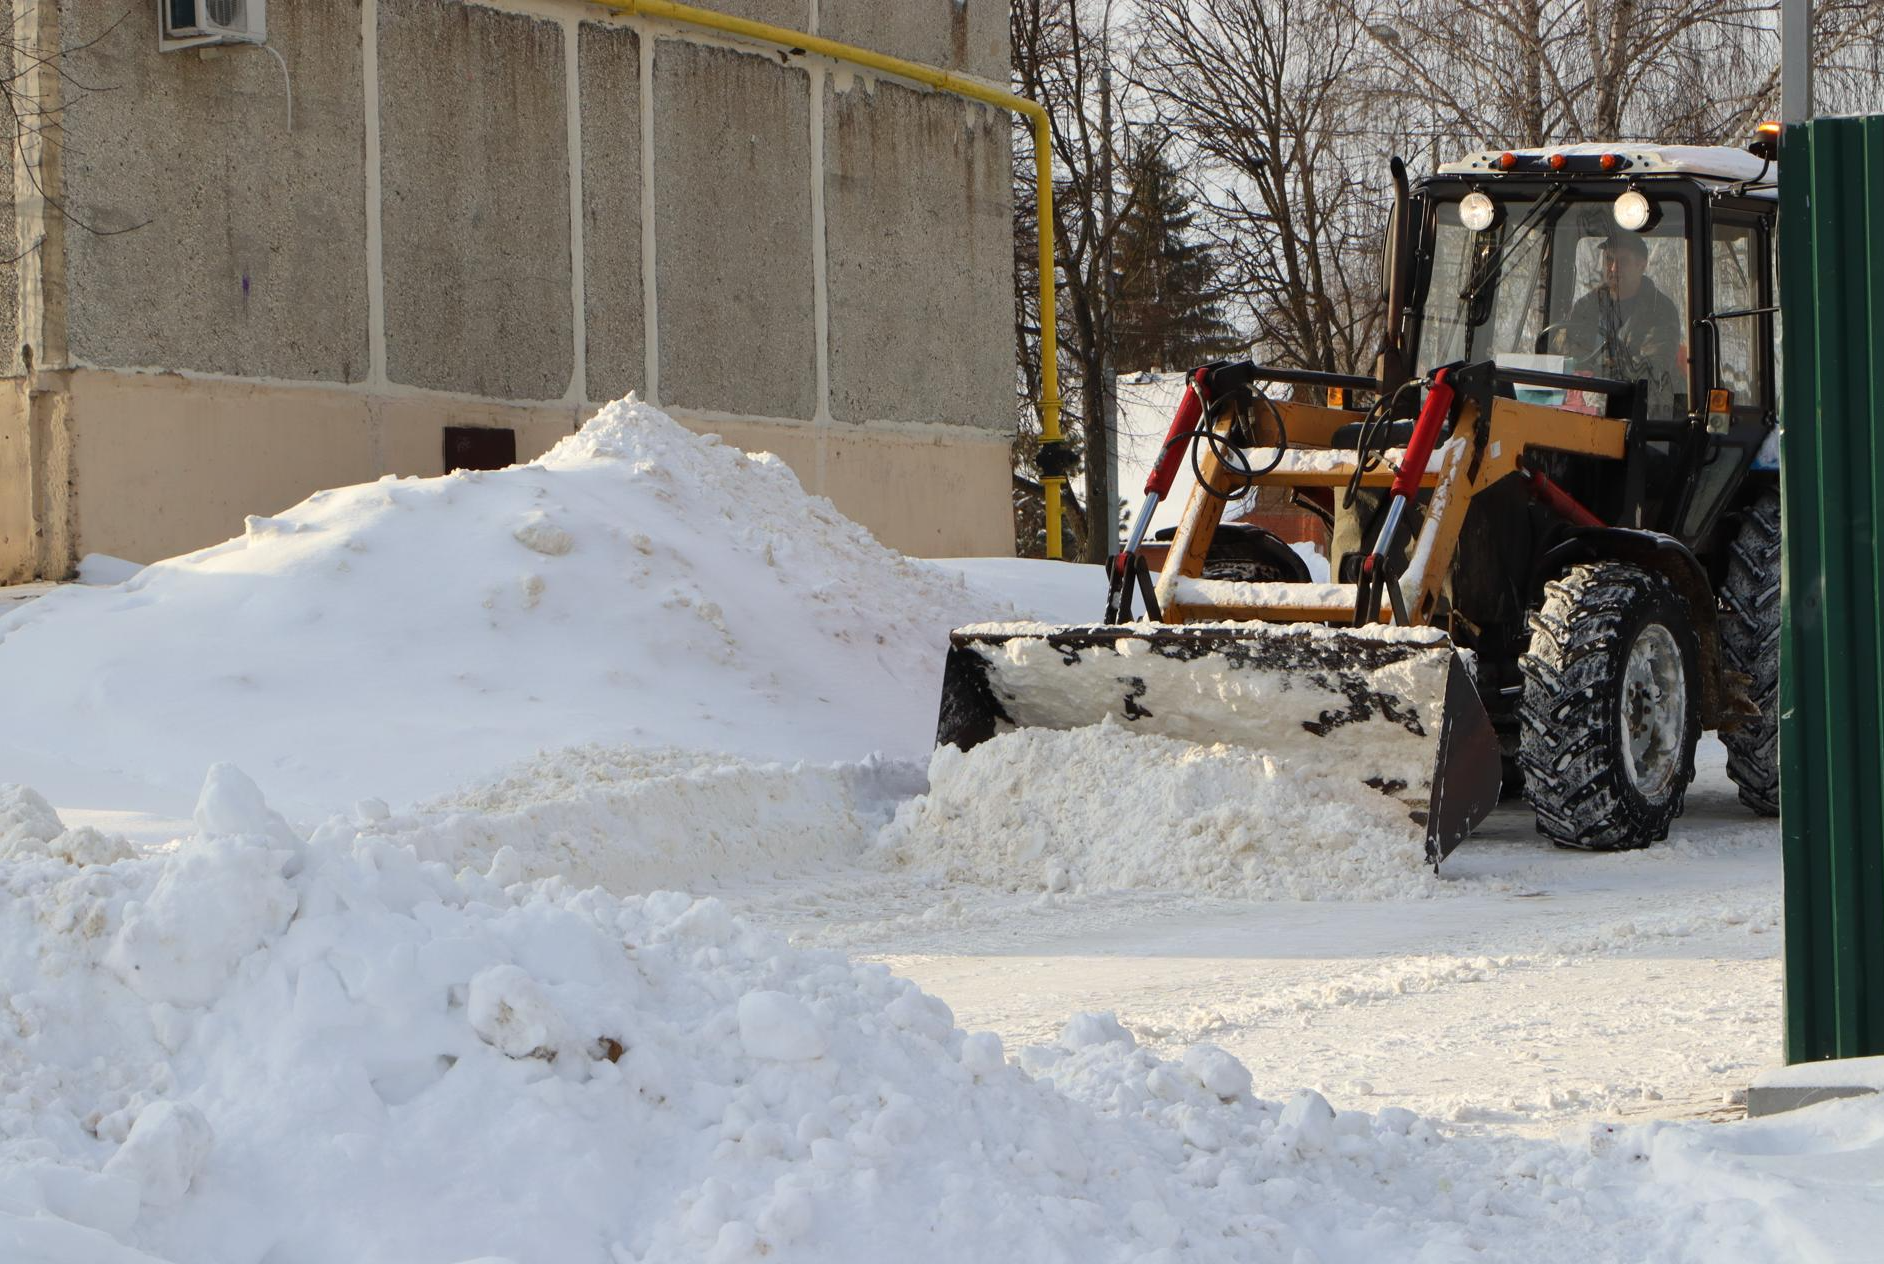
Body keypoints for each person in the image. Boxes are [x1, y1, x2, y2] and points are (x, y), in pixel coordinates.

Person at [1561, 232, 1683, 414]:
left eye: (1623, 262)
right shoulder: (1586, 306)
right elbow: (1562, 349)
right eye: (1609, 260)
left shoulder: (1660, 310)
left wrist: (1605, 367)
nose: (1613, 269)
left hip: (1643, 407)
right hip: (1588, 400)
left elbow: (1654, 367)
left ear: (1642, 265)